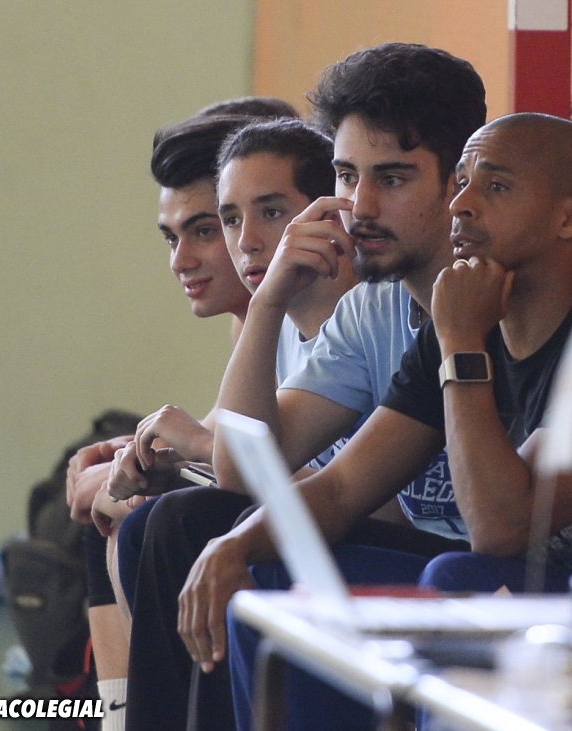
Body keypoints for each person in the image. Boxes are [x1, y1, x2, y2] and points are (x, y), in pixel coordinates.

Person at [227, 112, 572, 730]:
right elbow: (341, 490)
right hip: (498, 584)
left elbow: (501, 527)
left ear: (571, 217)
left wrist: (461, 344)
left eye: (494, 187)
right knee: (267, 575)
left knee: (460, 574)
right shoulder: (461, 318)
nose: (461, 205)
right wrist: (231, 547)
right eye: (463, 182)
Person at [102, 117, 354, 731]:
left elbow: (363, 495)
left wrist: (197, 450)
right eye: (233, 219)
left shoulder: (363, 315)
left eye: (271, 213)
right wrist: (154, 458)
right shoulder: (279, 321)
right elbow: (241, 462)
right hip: (319, 525)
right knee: (139, 522)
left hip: (391, 542)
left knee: (182, 521)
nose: (248, 241)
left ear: (330, 211)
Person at [63, 98, 296, 731]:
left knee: (149, 517)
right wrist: (134, 455)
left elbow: (256, 462)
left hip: (323, 529)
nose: (180, 260)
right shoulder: (252, 320)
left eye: (204, 230)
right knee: (118, 510)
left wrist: (138, 473)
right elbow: (216, 443)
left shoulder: (319, 311)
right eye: (172, 237)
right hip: (277, 510)